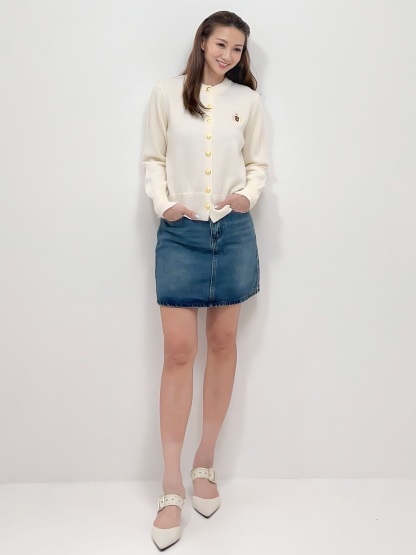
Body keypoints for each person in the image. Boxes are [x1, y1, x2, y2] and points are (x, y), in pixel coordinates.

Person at [142, 10, 269, 551]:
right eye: (221, 44)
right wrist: (165, 204)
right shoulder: (166, 94)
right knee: (178, 352)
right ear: (202, 42)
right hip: (179, 233)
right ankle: (171, 484)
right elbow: (153, 158)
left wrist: (246, 196)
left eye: (237, 49)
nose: (228, 56)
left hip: (233, 232)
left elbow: (259, 164)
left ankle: (205, 462)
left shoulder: (248, 101)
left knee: (222, 344)